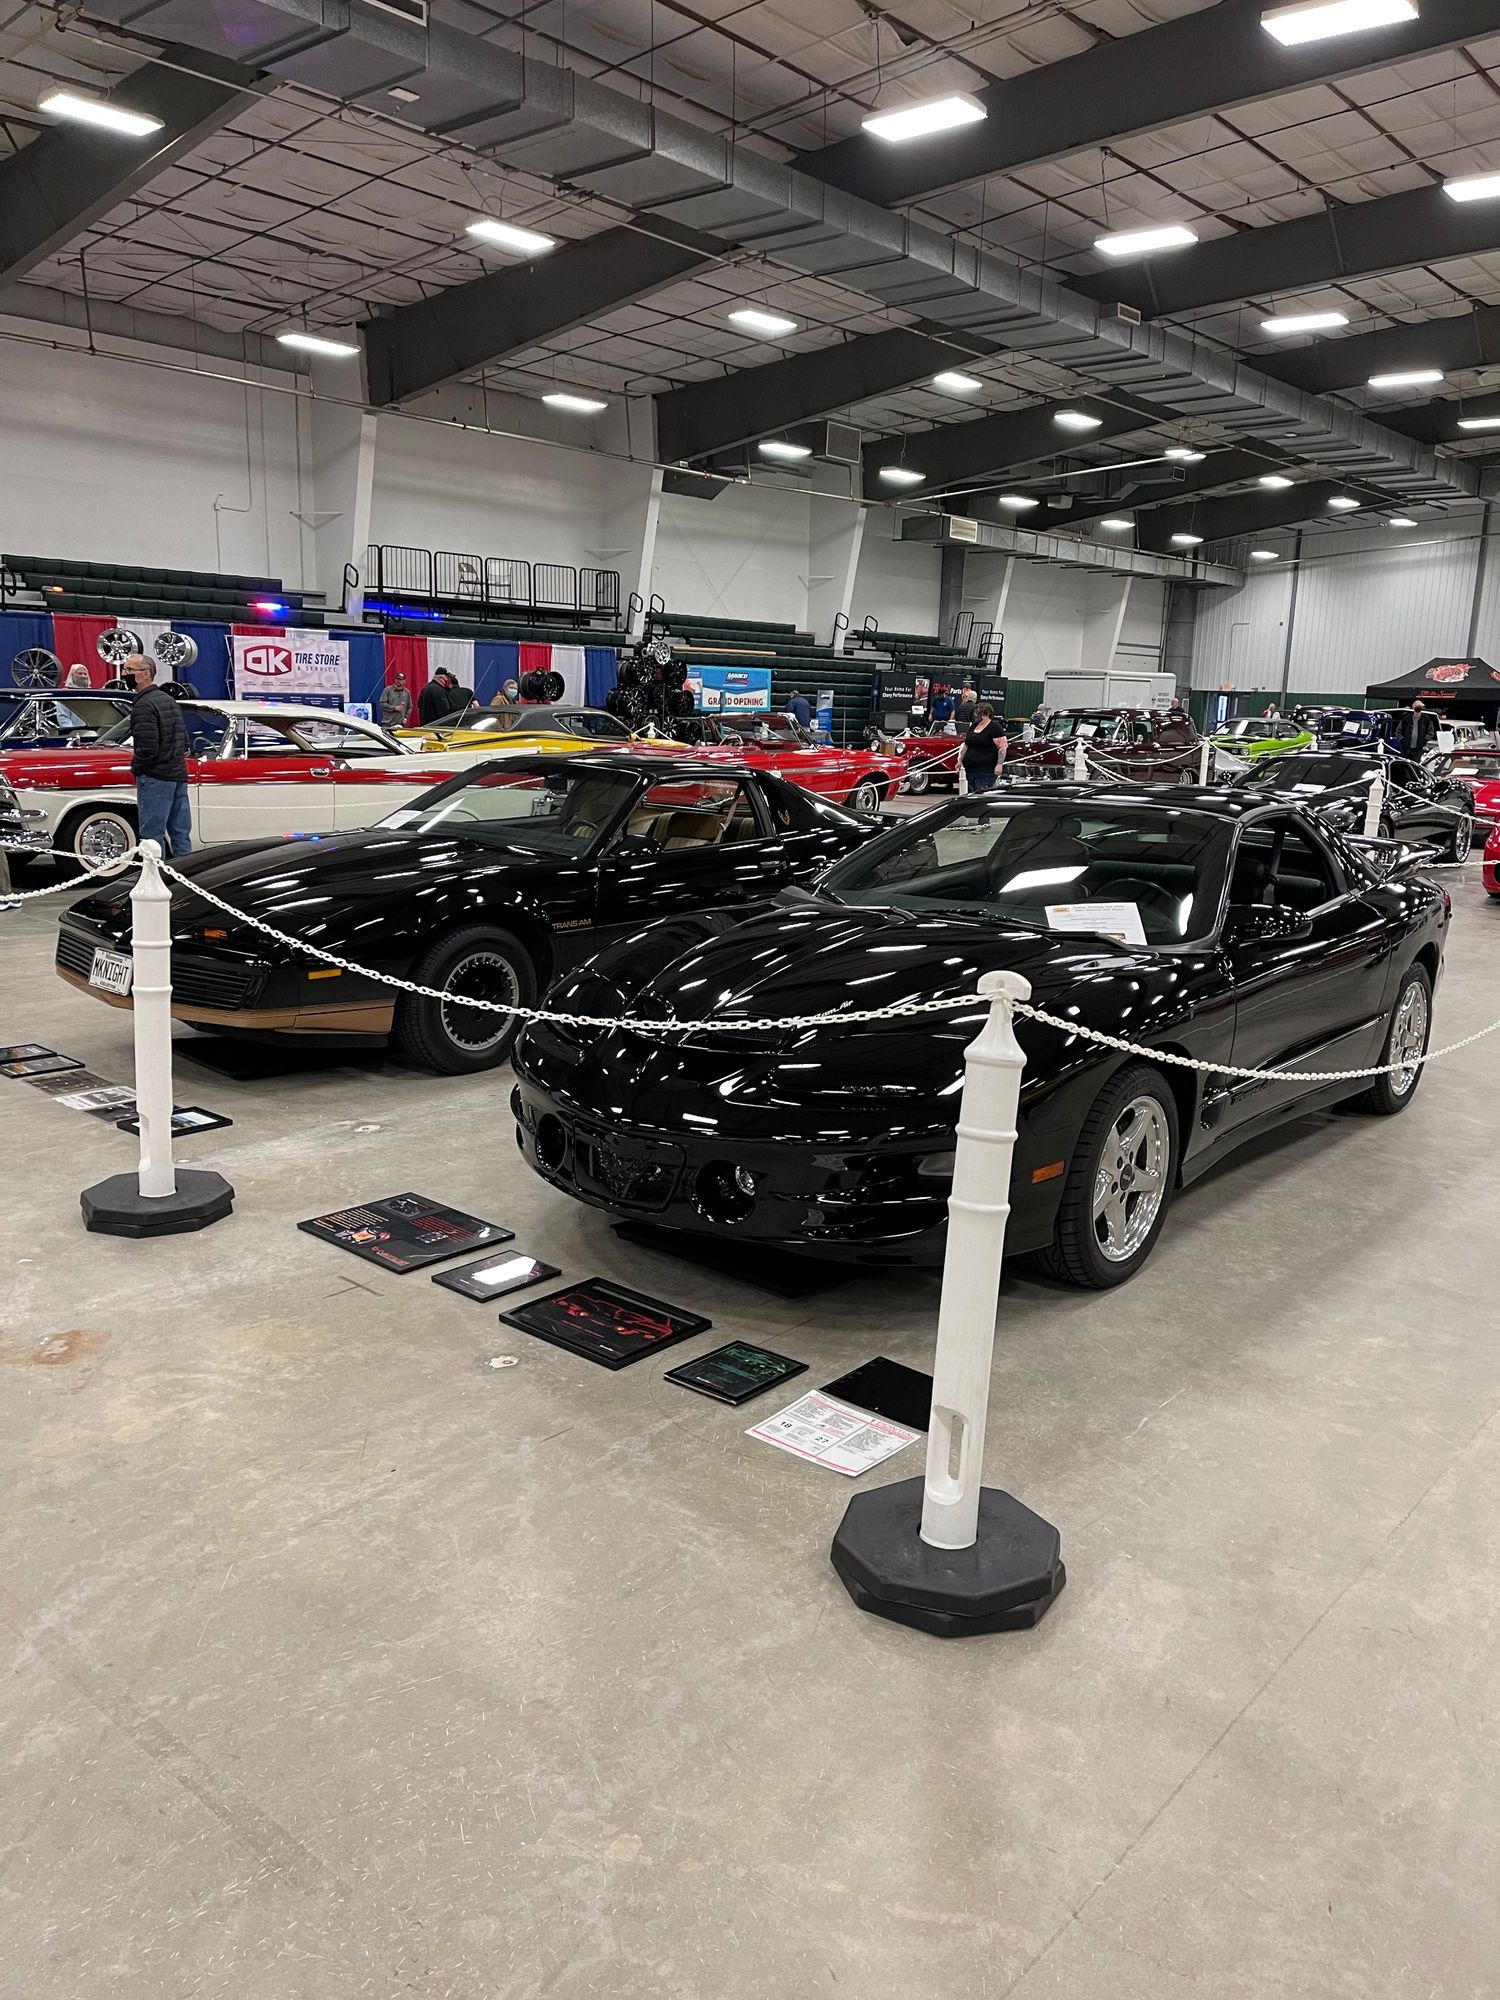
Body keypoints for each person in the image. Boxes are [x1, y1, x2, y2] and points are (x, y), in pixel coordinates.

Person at [125, 657, 191, 858]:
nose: (125, 674)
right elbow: (184, 739)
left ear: (145, 673)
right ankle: (186, 872)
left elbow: (147, 747)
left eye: (130, 669)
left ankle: (155, 875)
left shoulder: (144, 704)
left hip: (156, 776)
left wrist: (136, 768)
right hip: (177, 773)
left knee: (152, 836)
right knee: (180, 832)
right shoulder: (168, 700)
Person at [962, 703, 1005, 793]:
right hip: (970, 769)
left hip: (986, 770)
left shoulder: (995, 728)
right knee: (972, 794)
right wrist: (960, 760)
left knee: (982, 793)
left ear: (988, 714)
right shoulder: (973, 726)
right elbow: (966, 744)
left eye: (980, 714)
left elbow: (1002, 747)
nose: (977, 716)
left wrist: (999, 764)